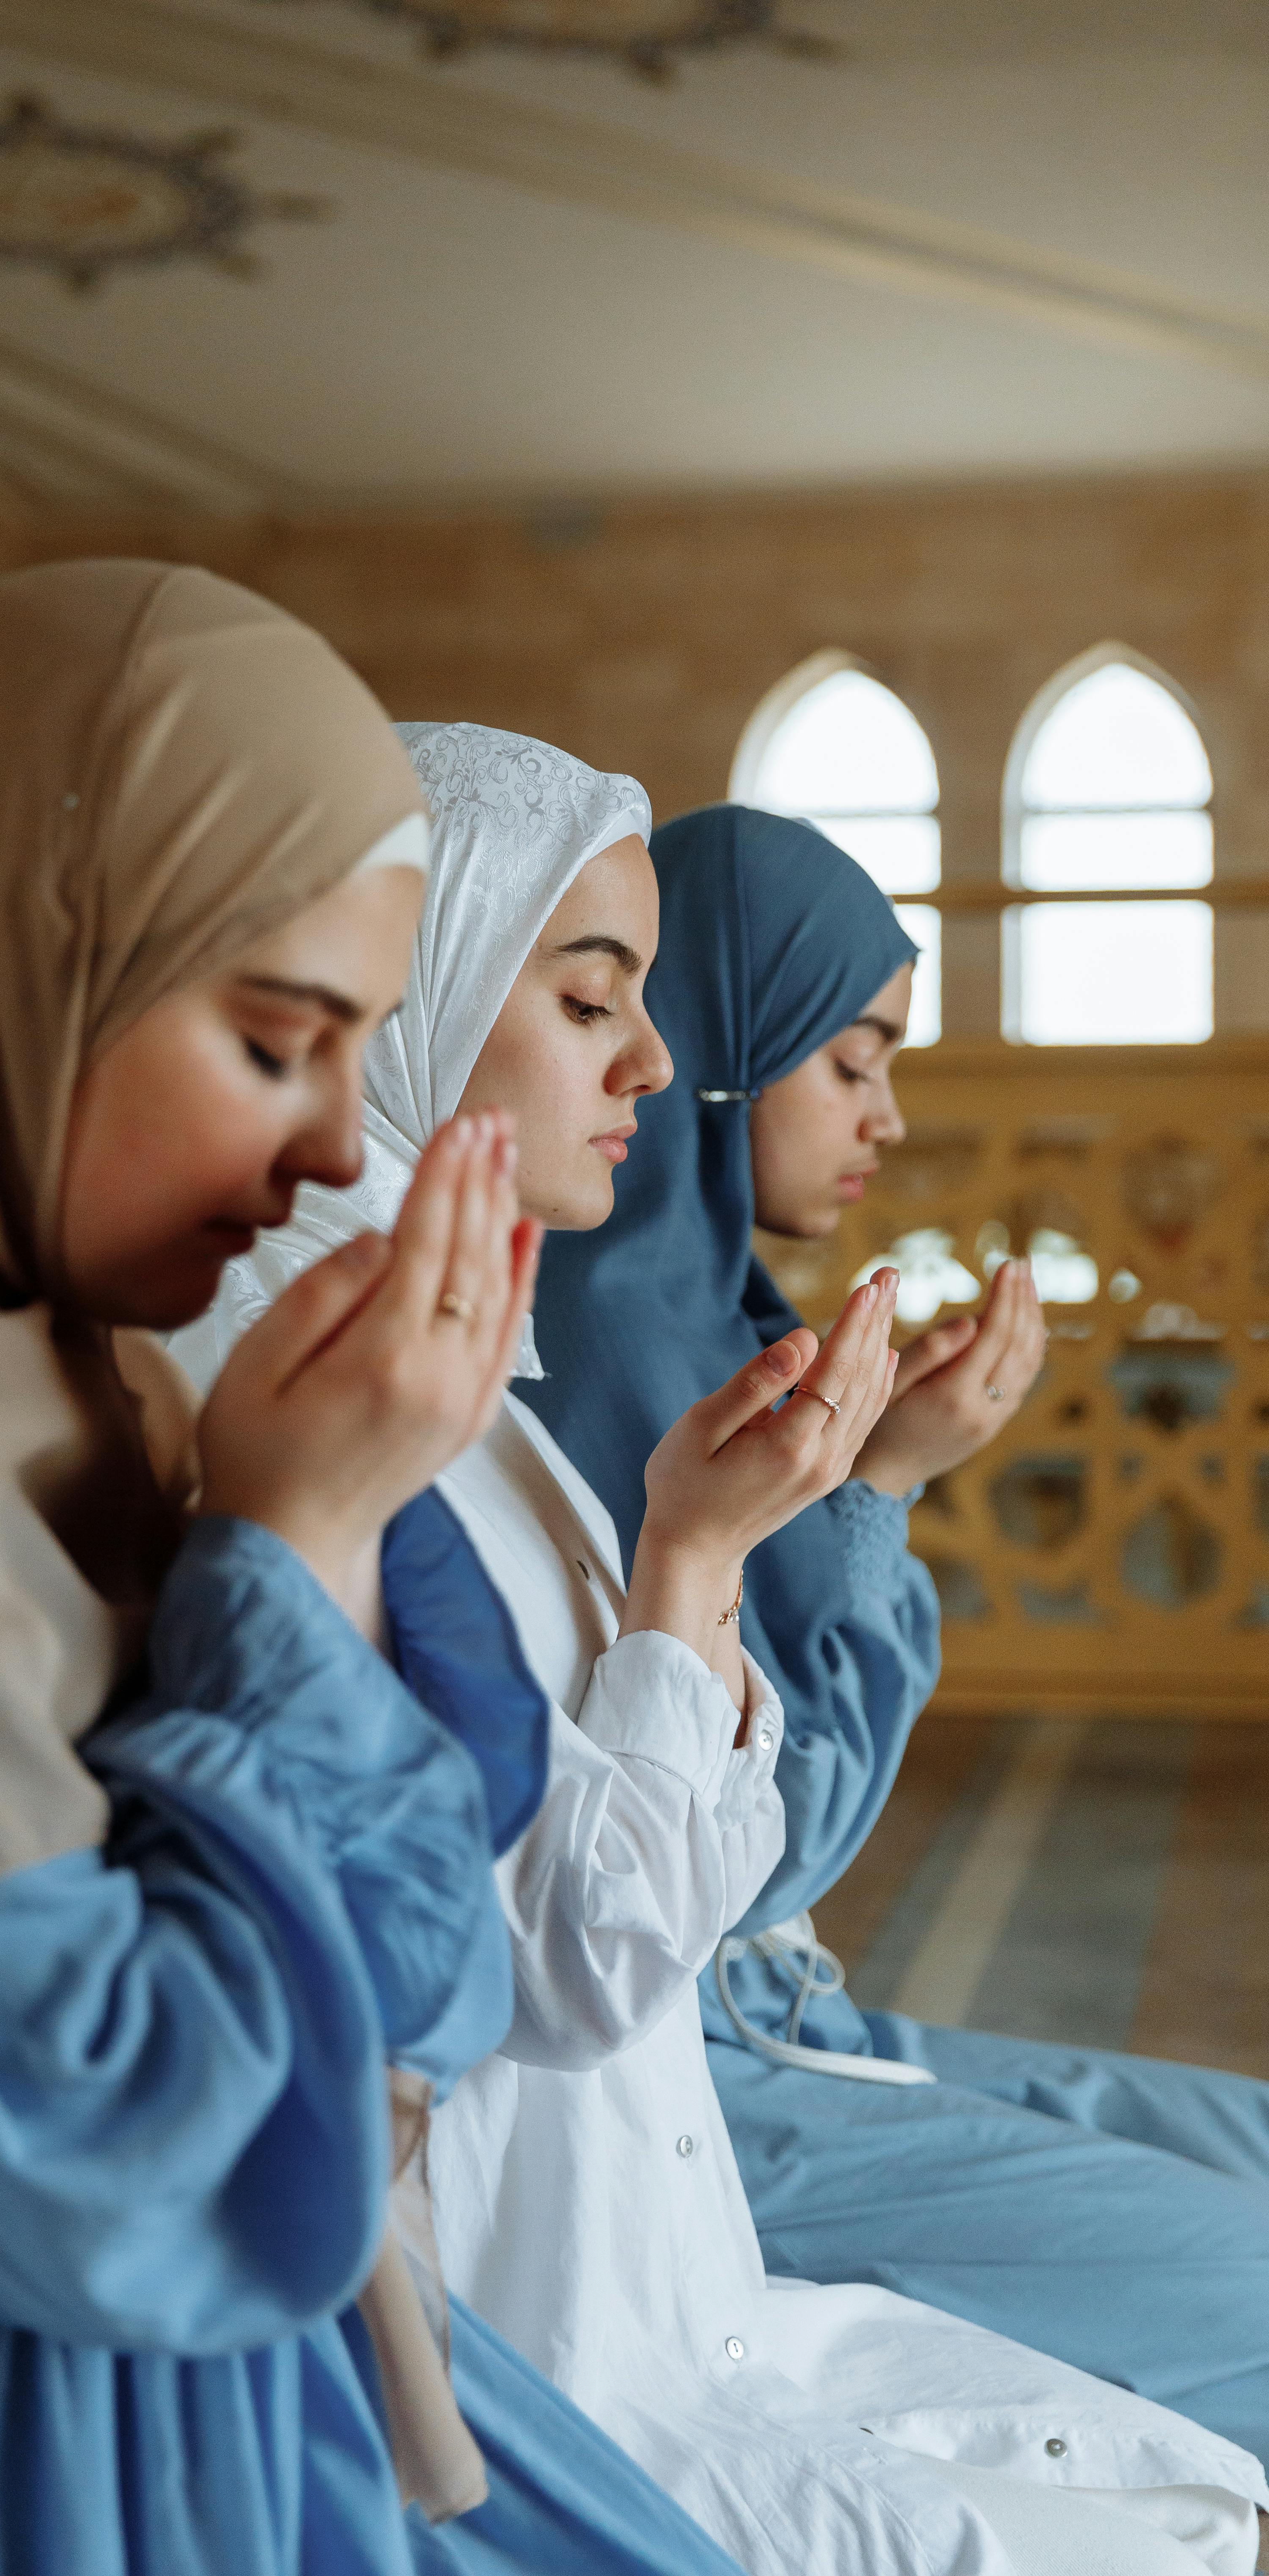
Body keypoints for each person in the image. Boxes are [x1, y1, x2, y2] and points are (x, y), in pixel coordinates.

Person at [0, 568, 744, 2576]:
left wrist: (317, 1523)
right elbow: (149, 2158)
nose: (328, 1152)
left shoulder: (27, 1349)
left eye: (364, 1053)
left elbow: (420, 1980)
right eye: (278, 1044)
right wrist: (291, 1548)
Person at [178, 722, 1269, 2576]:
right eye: (598, 994)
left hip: (680, 2143)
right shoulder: (358, 1385)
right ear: (411, 984)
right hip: (624, 2196)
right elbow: (578, 1954)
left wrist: (762, 1530)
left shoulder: (503, 1380)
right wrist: (787, 1527)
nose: (659, 1059)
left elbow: (675, 1870)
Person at [524, 801, 1269, 2473]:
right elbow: (772, 1854)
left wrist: (877, 1481)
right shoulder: (605, 1353)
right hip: (695, 2073)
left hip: (787, 2015)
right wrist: (882, 1489)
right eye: (849, 1061)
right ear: (730, 1047)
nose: (886, 1117)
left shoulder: (705, 1306)